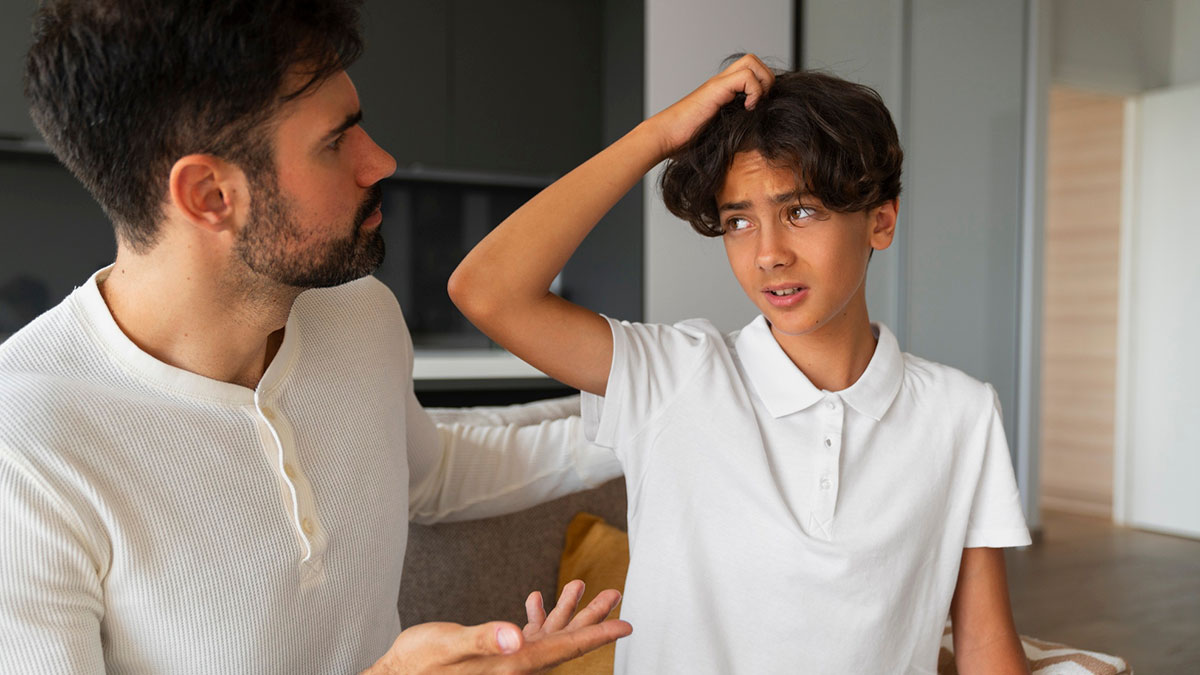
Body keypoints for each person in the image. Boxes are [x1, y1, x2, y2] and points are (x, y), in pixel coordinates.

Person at [0, 1, 632, 673]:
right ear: (210, 194)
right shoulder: (25, 449)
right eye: (336, 141)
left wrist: (657, 409)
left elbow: (428, 472)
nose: (381, 161)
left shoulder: (358, 314)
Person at [450, 55, 1033, 673]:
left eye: (801, 211)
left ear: (880, 220)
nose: (768, 254)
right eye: (738, 222)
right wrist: (660, 136)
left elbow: (984, 644)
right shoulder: (674, 377)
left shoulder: (961, 412)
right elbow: (485, 290)